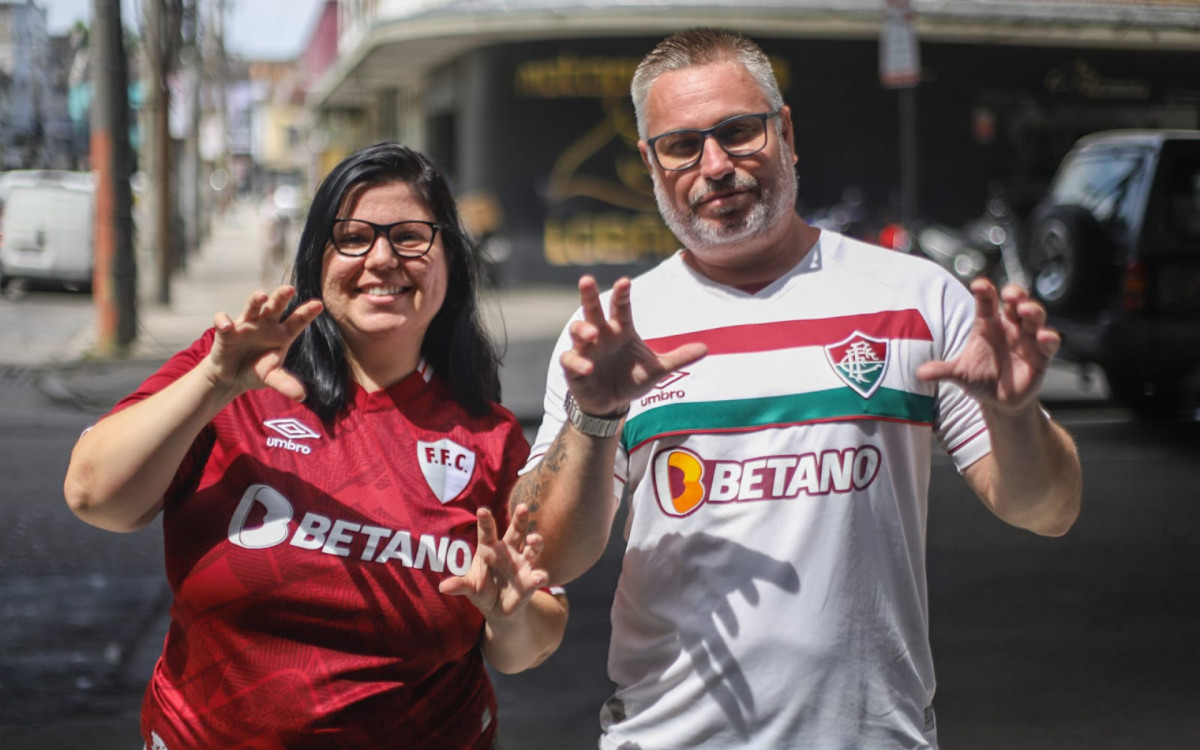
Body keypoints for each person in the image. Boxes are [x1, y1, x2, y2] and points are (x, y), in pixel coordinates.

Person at [510, 28, 1081, 749]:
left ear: (784, 132)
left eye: (739, 132)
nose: (714, 165)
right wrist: (595, 418)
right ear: (651, 164)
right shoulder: (617, 332)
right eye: (682, 145)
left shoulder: (915, 297)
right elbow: (544, 556)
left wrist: (1014, 413)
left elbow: (1049, 510)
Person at [63, 143, 569, 749]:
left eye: (410, 236)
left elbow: (528, 644)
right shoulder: (233, 371)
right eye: (353, 237)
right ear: (316, 259)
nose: (382, 258)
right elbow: (95, 498)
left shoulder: (489, 436)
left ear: (450, 261)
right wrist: (215, 384)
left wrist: (508, 613)